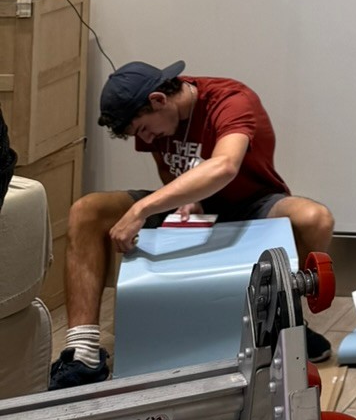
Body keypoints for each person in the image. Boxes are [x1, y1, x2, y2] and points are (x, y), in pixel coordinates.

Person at [49, 59, 334, 389]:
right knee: (87, 211)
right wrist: (185, 195)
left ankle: (289, 323)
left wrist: (142, 209)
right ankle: (82, 353)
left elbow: (225, 166)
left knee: (315, 219)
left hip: (251, 204)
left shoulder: (231, 100)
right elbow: (168, 166)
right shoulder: (158, 118)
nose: (145, 138)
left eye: (143, 129)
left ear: (159, 99)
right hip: (193, 209)